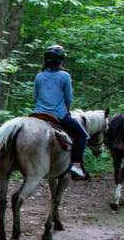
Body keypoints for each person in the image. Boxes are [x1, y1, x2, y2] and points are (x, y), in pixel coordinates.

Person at [33, 44, 89, 179]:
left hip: (37, 114)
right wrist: (67, 112)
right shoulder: (65, 76)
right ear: (60, 60)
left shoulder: (39, 76)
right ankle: (76, 165)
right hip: (58, 114)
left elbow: (35, 98)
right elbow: (68, 99)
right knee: (82, 136)